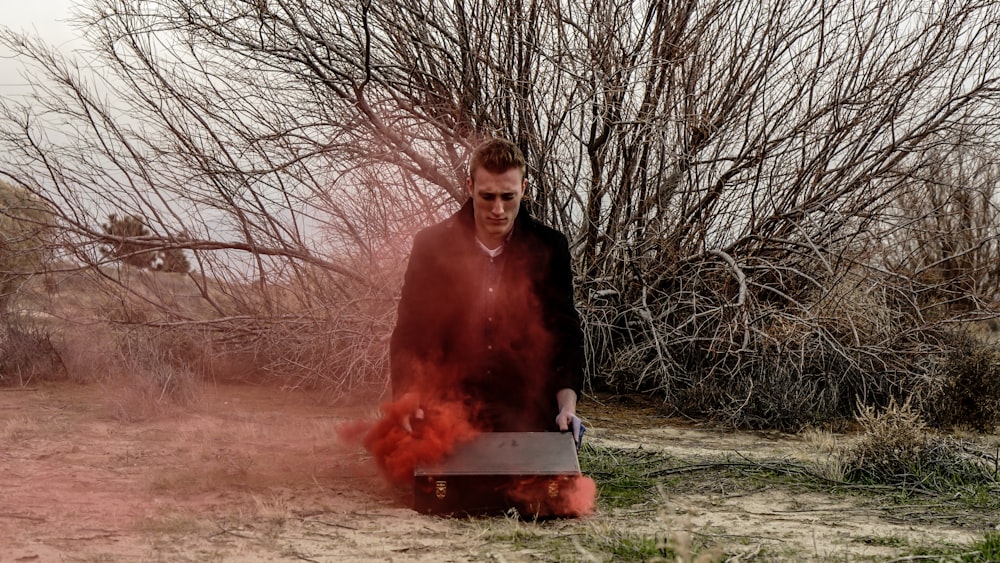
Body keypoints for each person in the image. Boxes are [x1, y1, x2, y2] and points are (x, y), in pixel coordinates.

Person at [390, 138, 585, 438]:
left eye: (508, 197)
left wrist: (567, 407)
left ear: (524, 189)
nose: (498, 209)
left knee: (538, 478)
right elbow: (412, 329)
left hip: (526, 407)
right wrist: (407, 395)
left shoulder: (549, 246)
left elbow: (563, 332)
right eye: (487, 196)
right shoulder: (432, 245)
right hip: (448, 404)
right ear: (469, 186)